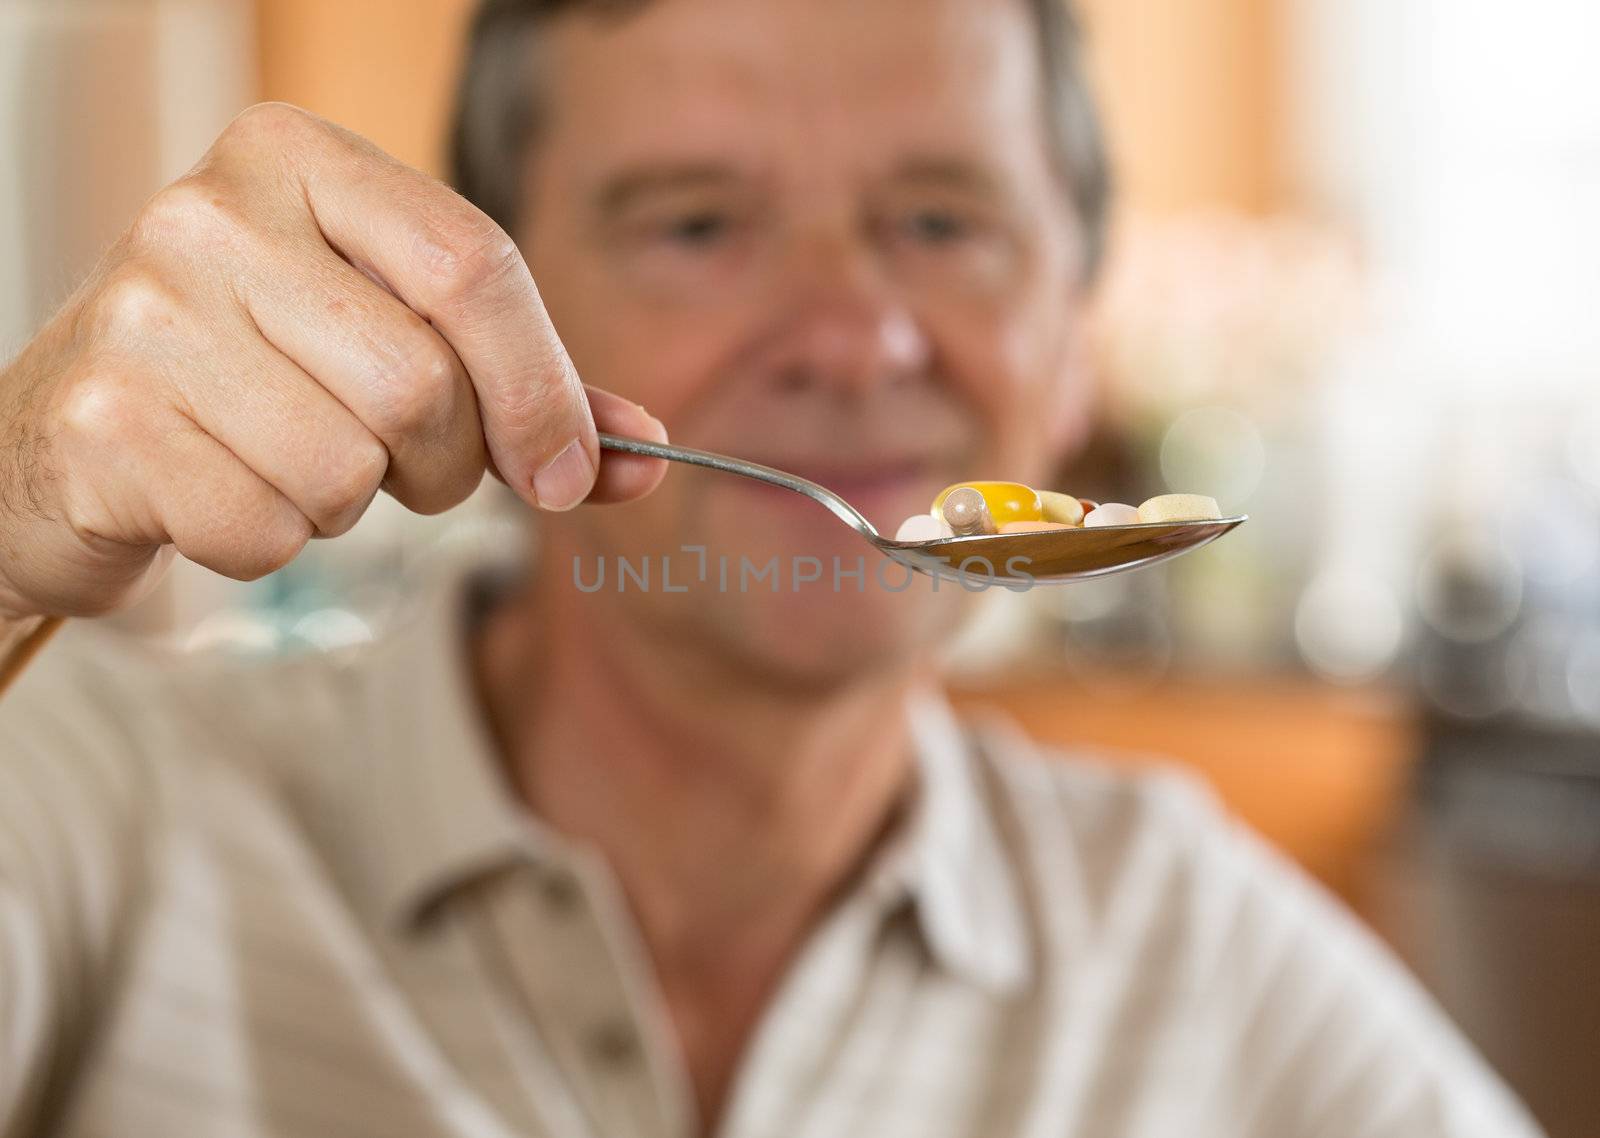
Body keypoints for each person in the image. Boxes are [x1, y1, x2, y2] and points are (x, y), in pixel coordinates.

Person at [0, 1, 1546, 1136]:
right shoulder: (106, 800)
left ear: (1074, 347)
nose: (853, 332)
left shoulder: (1181, 940)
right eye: (696, 225)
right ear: (467, 318)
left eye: (942, 219)